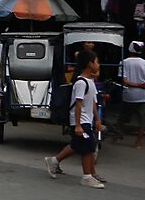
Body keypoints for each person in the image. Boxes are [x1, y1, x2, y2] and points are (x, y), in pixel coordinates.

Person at [45, 50, 104, 188]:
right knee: (87, 147)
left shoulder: (90, 81)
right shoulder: (81, 83)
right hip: (80, 121)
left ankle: (53, 161)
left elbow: (93, 102)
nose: (98, 65)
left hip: (87, 120)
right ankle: (87, 176)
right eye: (96, 62)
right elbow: (78, 105)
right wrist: (77, 125)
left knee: (79, 145)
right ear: (90, 64)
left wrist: (97, 119)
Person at [118, 41, 145, 149]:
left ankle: (118, 135)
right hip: (143, 96)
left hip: (128, 95)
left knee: (122, 118)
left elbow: (125, 81)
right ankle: (138, 142)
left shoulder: (124, 62)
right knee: (142, 120)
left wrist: (135, 84)